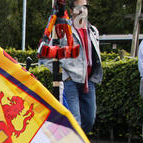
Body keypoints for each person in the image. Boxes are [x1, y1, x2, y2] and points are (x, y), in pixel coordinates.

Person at [41, 0, 102, 134]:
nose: (82, 10)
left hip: (88, 81)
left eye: (85, 6)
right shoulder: (63, 29)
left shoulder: (92, 31)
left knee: (89, 120)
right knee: (75, 121)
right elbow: (46, 56)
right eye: (79, 7)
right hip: (71, 81)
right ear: (72, 9)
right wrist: (64, 77)